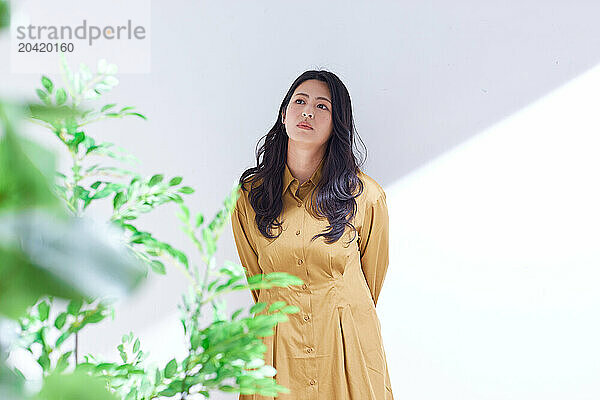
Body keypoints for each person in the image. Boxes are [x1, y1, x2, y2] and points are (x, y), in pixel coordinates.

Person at [231, 70, 393, 399]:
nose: (307, 112)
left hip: (347, 349)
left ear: (337, 124)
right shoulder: (250, 195)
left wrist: (337, 314)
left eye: (322, 106)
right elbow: (256, 278)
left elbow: (370, 282)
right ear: (283, 114)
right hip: (277, 350)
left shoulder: (365, 195)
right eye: (300, 102)